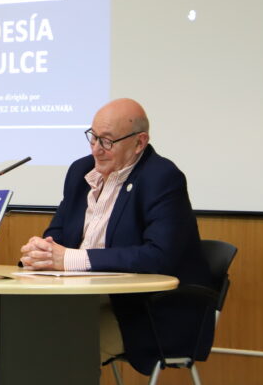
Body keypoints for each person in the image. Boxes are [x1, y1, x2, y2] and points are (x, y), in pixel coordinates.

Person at [20, 98, 213, 375]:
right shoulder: (80, 171)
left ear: (139, 142)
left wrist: (71, 258)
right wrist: (42, 250)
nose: (97, 149)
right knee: (15, 331)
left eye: (107, 141)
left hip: (143, 313)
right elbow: (58, 233)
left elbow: (158, 256)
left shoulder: (162, 177)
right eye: (93, 137)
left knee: (57, 342)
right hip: (81, 300)